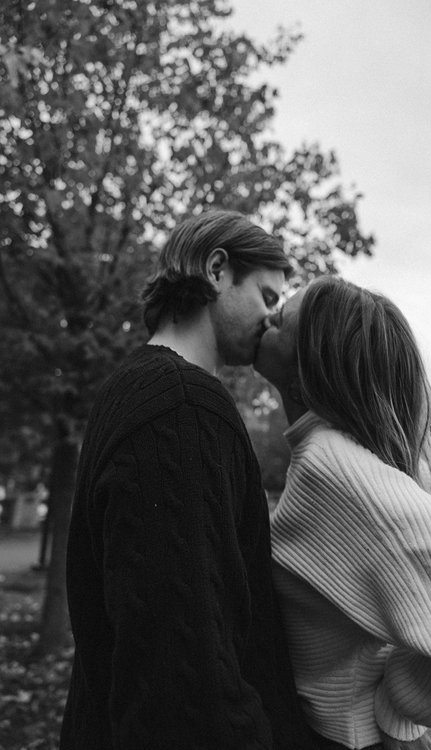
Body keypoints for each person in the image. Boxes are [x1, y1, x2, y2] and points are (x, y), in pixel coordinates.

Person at [60, 210, 320, 750]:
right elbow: (182, 684)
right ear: (218, 270)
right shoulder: (181, 406)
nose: (272, 320)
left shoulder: (133, 390)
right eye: (268, 297)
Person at [254, 275, 431, 750]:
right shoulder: (353, 452)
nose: (268, 317)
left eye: (282, 316)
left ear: (312, 363)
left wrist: (401, 710)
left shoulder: (330, 463)